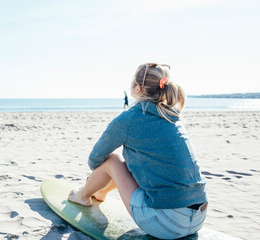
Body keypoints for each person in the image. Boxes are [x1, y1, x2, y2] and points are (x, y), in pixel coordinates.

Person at [68, 63, 208, 239]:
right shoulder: (172, 115)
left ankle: (82, 196)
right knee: (141, 162)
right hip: (199, 217)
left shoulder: (129, 118)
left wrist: (96, 178)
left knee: (112, 160)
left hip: (167, 224)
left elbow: (94, 160)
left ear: (138, 88)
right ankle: (101, 191)